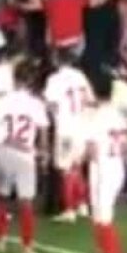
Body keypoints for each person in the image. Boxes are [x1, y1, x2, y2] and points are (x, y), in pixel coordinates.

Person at [0, 61, 50, 253]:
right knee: (26, 201)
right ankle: (27, 248)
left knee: (2, 197)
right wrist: (44, 152)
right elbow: (43, 130)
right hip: (25, 153)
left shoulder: (1, 102)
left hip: (4, 150)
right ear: (31, 80)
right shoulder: (35, 104)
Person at [83, 72, 127, 253]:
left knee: (103, 215)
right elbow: (126, 144)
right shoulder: (118, 116)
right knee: (98, 213)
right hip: (115, 165)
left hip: (103, 168)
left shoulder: (97, 117)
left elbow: (91, 149)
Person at [43, 49, 94, 223]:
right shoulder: (81, 77)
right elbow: (90, 101)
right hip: (82, 127)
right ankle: (82, 205)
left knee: (65, 169)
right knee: (77, 167)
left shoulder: (55, 79)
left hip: (66, 129)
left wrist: (53, 114)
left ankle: (69, 209)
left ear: (57, 59)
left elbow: (50, 103)